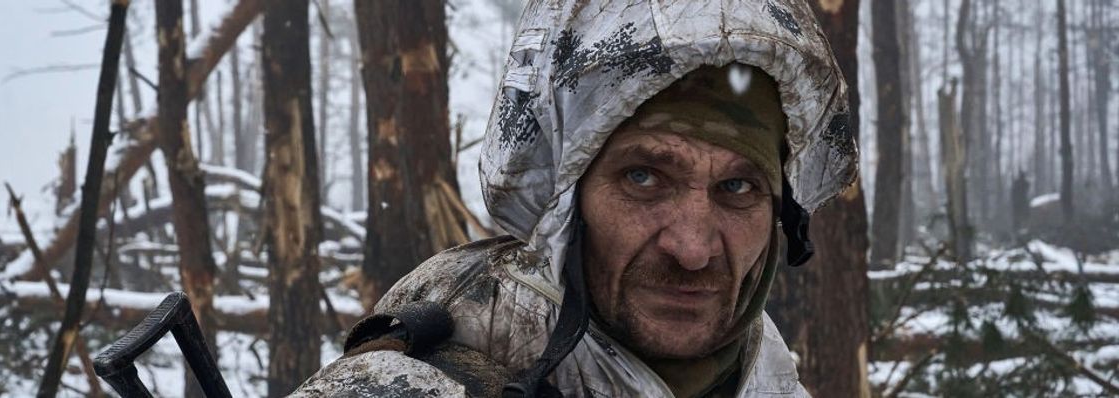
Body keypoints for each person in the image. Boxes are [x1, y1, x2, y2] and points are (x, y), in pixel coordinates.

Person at [292, 0, 856, 396]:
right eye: (643, 178)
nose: (693, 249)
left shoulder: (761, 362)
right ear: (569, 200)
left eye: (737, 188)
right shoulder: (438, 366)